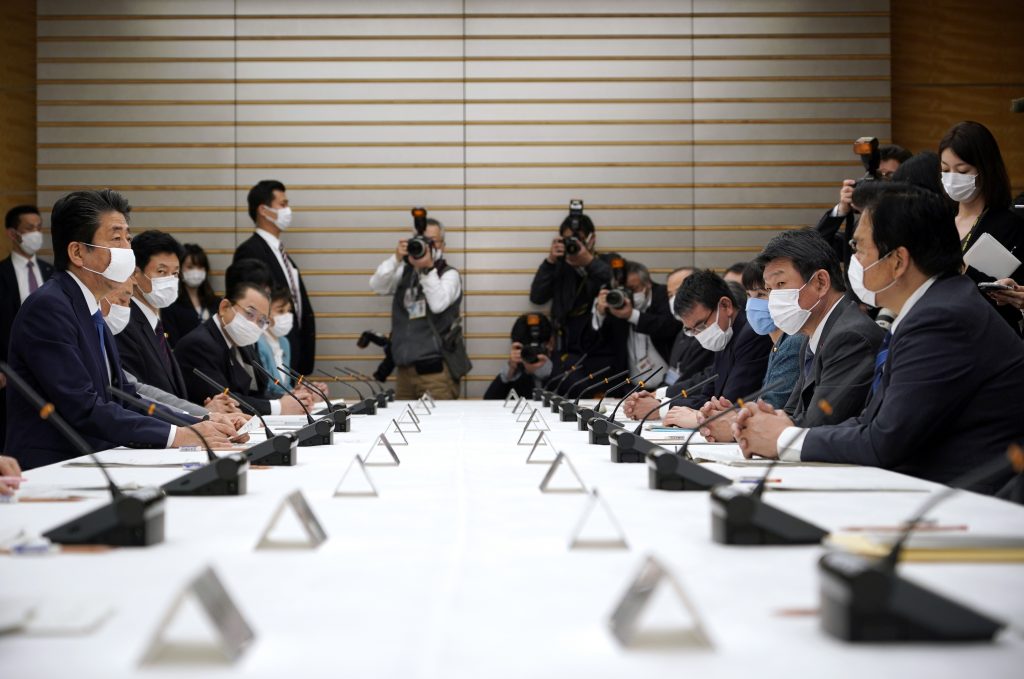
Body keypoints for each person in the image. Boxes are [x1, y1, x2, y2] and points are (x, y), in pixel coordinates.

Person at [732, 183, 1024, 494]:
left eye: (859, 249)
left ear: (897, 260)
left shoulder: (942, 319)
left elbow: (885, 441)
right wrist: (780, 430)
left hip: (975, 502)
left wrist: (784, 439)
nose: (853, 261)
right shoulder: (931, 308)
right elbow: (870, 422)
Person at [5, 190, 237, 470]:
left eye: (128, 237)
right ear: (78, 252)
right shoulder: (49, 307)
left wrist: (200, 422)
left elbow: (125, 395)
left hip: (96, 460)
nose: (128, 248)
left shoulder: (89, 305)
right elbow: (83, 407)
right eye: (116, 238)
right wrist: (179, 436)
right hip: (53, 468)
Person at [701, 230, 884, 440]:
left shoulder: (850, 337)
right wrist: (739, 416)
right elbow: (790, 413)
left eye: (780, 285)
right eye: (769, 290)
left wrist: (738, 426)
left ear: (821, 283)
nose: (772, 300)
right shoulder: (811, 336)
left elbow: (819, 423)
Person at [624, 269, 772, 424]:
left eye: (701, 326)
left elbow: (728, 402)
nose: (699, 335)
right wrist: (660, 400)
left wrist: (660, 408)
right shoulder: (727, 333)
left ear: (726, 305)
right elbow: (707, 391)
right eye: (690, 330)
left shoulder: (751, 334)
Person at [102, 278, 243, 421]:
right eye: (122, 300)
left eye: (175, 273)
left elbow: (134, 390)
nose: (126, 308)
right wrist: (200, 418)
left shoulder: (106, 332)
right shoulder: (200, 342)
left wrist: (204, 416)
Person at [696, 261, 805, 442]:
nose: (753, 303)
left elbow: (773, 407)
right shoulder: (777, 344)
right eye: (749, 295)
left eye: (762, 294)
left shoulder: (793, 341)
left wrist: (733, 418)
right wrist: (732, 412)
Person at [175, 277, 315, 416]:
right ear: (224, 307)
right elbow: (224, 400)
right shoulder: (199, 344)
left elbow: (255, 393)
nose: (254, 324)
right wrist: (278, 406)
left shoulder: (242, 341)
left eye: (261, 321)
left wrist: (290, 399)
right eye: (249, 314)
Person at [939, 120, 1024, 335]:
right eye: (945, 169)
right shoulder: (937, 220)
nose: (952, 178)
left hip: (990, 337)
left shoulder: (1009, 225)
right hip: (940, 333)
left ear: (985, 169)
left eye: (962, 170)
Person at [369, 216, 463, 399]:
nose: (426, 246)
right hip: (404, 372)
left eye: (432, 241)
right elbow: (377, 285)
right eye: (422, 241)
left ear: (442, 246)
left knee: (439, 426)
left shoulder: (449, 275)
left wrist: (427, 269)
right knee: (405, 426)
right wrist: (396, 258)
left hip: (435, 375)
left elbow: (438, 305)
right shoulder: (405, 272)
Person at [234, 180, 316, 373]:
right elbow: (249, 308)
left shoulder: (282, 254)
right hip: (269, 358)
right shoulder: (250, 251)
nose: (288, 211)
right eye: (283, 204)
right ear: (263, 210)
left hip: (291, 351)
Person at [528, 207, 613, 372]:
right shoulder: (558, 266)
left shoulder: (605, 262)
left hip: (598, 344)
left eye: (578, 239)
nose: (574, 244)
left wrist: (588, 261)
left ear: (592, 239)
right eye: (568, 239)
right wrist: (550, 262)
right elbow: (537, 297)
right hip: (564, 342)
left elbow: (613, 282)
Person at [0, 205, 54, 445]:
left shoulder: (51, 272)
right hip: (9, 372)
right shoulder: (1, 273)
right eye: (29, 228)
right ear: (12, 234)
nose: (36, 234)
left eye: (39, 227)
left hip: (49, 370)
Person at [115, 230, 189, 400]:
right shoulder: (123, 322)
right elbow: (138, 393)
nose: (170, 280)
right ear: (134, 274)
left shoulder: (157, 322)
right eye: (161, 272)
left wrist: (204, 411)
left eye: (175, 273)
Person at [591, 260, 680, 391]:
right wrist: (600, 312)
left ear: (647, 284)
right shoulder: (616, 303)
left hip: (669, 385)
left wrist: (631, 315)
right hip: (632, 386)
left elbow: (670, 326)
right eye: (623, 290)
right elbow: (598, 341)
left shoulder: (664, 294)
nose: (628, 295)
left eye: (632, 289)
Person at [815, 144, 912, 263]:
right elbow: (817, 248)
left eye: (890, 176)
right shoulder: (861, 226)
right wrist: (841, 210)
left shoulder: (914, 219)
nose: (882, 183)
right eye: (877, 176)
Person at [483, 313, 557, 400]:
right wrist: (509, 372)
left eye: (537, 349)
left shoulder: (565, 364)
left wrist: (550, 372)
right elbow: (488, 402)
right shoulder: (516, 370)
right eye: (527, 349)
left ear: (551, 344)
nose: (532, 353)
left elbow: (573, 396)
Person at [662, 266, 713, 387]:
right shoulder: (681, 333)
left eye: (679, 291)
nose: (675, 299)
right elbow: (673, 373)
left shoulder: (709, 332)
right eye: (670, 295)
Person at [162, 243, 219, 347]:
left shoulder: (216, 302)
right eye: (190, 267)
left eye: (200, 267)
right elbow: (173, 342)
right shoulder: (170, 305)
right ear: (179, 269)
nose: (196, 271)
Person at [257, 287, 295, 398]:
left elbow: (285, 387)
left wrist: (302, 392)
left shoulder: (284, 342)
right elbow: (264, 390)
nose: (287, 316)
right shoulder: (257, 342)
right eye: (281, 311)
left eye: (289, 311)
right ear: (264, 312)